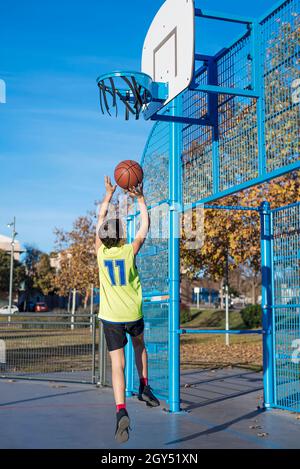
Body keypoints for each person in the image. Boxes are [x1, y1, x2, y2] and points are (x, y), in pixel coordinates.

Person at [95, 176, 160, 444]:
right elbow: (145, 225)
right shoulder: (129, 251)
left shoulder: (100, 252)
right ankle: (144, 385)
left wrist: (108, 196)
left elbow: (100, 220)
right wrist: (141, 199)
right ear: (121, 237)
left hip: (110, 316)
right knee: (140, 347)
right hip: (132, 312)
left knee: (116, 364)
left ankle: (121, 410)